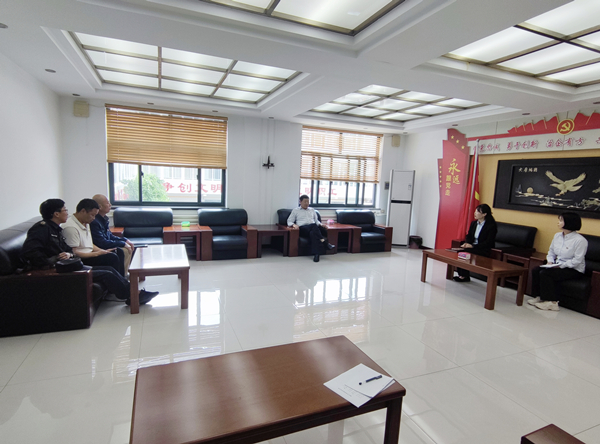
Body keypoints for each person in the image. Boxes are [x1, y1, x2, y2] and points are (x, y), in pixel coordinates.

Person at [21, 199, 158, 305]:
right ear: (56, 214)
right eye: (65, 210)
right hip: (58, 269)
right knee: (107, 273)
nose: (67, 213)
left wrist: (68, 254)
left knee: (109, 268)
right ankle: (133, 295)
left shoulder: (56, 229)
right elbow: (31, 253)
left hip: (69, 264)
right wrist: (53, 261)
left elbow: (68, 249)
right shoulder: (41, 229)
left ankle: (133, 293)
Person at [528, 212, 588, 311]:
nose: (558, 223)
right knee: (536, 270)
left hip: (574, 269)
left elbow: (577, 260)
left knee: (546, 274)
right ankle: (540, 297)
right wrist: (550, 262)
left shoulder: (580, 240)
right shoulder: (557, 236)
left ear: (569, 222)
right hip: (557, 265)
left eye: (561, 220)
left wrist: (560, 266)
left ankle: (552, 302)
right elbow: (551, 252)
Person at [62, 198, 126, 276]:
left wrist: (102, 251)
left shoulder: (85, 222)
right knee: (112, 257)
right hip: (82, 259)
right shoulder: (71, 227)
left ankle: (122, 279)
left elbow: (90, 244)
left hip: (90, 254)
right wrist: (97, 253)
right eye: (92, 215)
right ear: (83, 211)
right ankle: (121, 282)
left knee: (118, 251)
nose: (93, 218)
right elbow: (74, 252)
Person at [91, 194, 134, 275]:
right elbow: (101, 242)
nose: (110, 205)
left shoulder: (103, 219)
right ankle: (123, 276)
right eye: (107, 203)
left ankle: (125, 274)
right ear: (100, 207)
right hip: (100, 248)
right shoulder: (94, 222)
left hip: (105, 244)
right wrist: (122, 243)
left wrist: (125, 240)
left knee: (129, 246)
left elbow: (110, 236)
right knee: (124, 250)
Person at [454, 203, 498, 282]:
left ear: (484, 214)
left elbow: (488, 242)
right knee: (460, 251)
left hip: (483, 249)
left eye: (477, 212)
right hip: (473, 247)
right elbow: (469, 235)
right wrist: (467, 243)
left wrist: (473, 246)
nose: (475, 213)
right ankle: (462, 275)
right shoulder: (474, 223)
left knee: (465, 252)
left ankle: (464, 276)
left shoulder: (491, 226)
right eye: (475, 211)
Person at [287, 195, 335, 262]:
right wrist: (294, 225)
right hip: (303, 228)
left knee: (313, 233)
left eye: (308, 201)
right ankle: (325, 243)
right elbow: (289, 221)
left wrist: (321, 224)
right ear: (300, 202)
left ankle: (316, 255)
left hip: (313, 228)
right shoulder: (295, 210)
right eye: (305, 201)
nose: (307, 203)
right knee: (314, 226)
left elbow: (316, 221)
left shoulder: (312, 210)